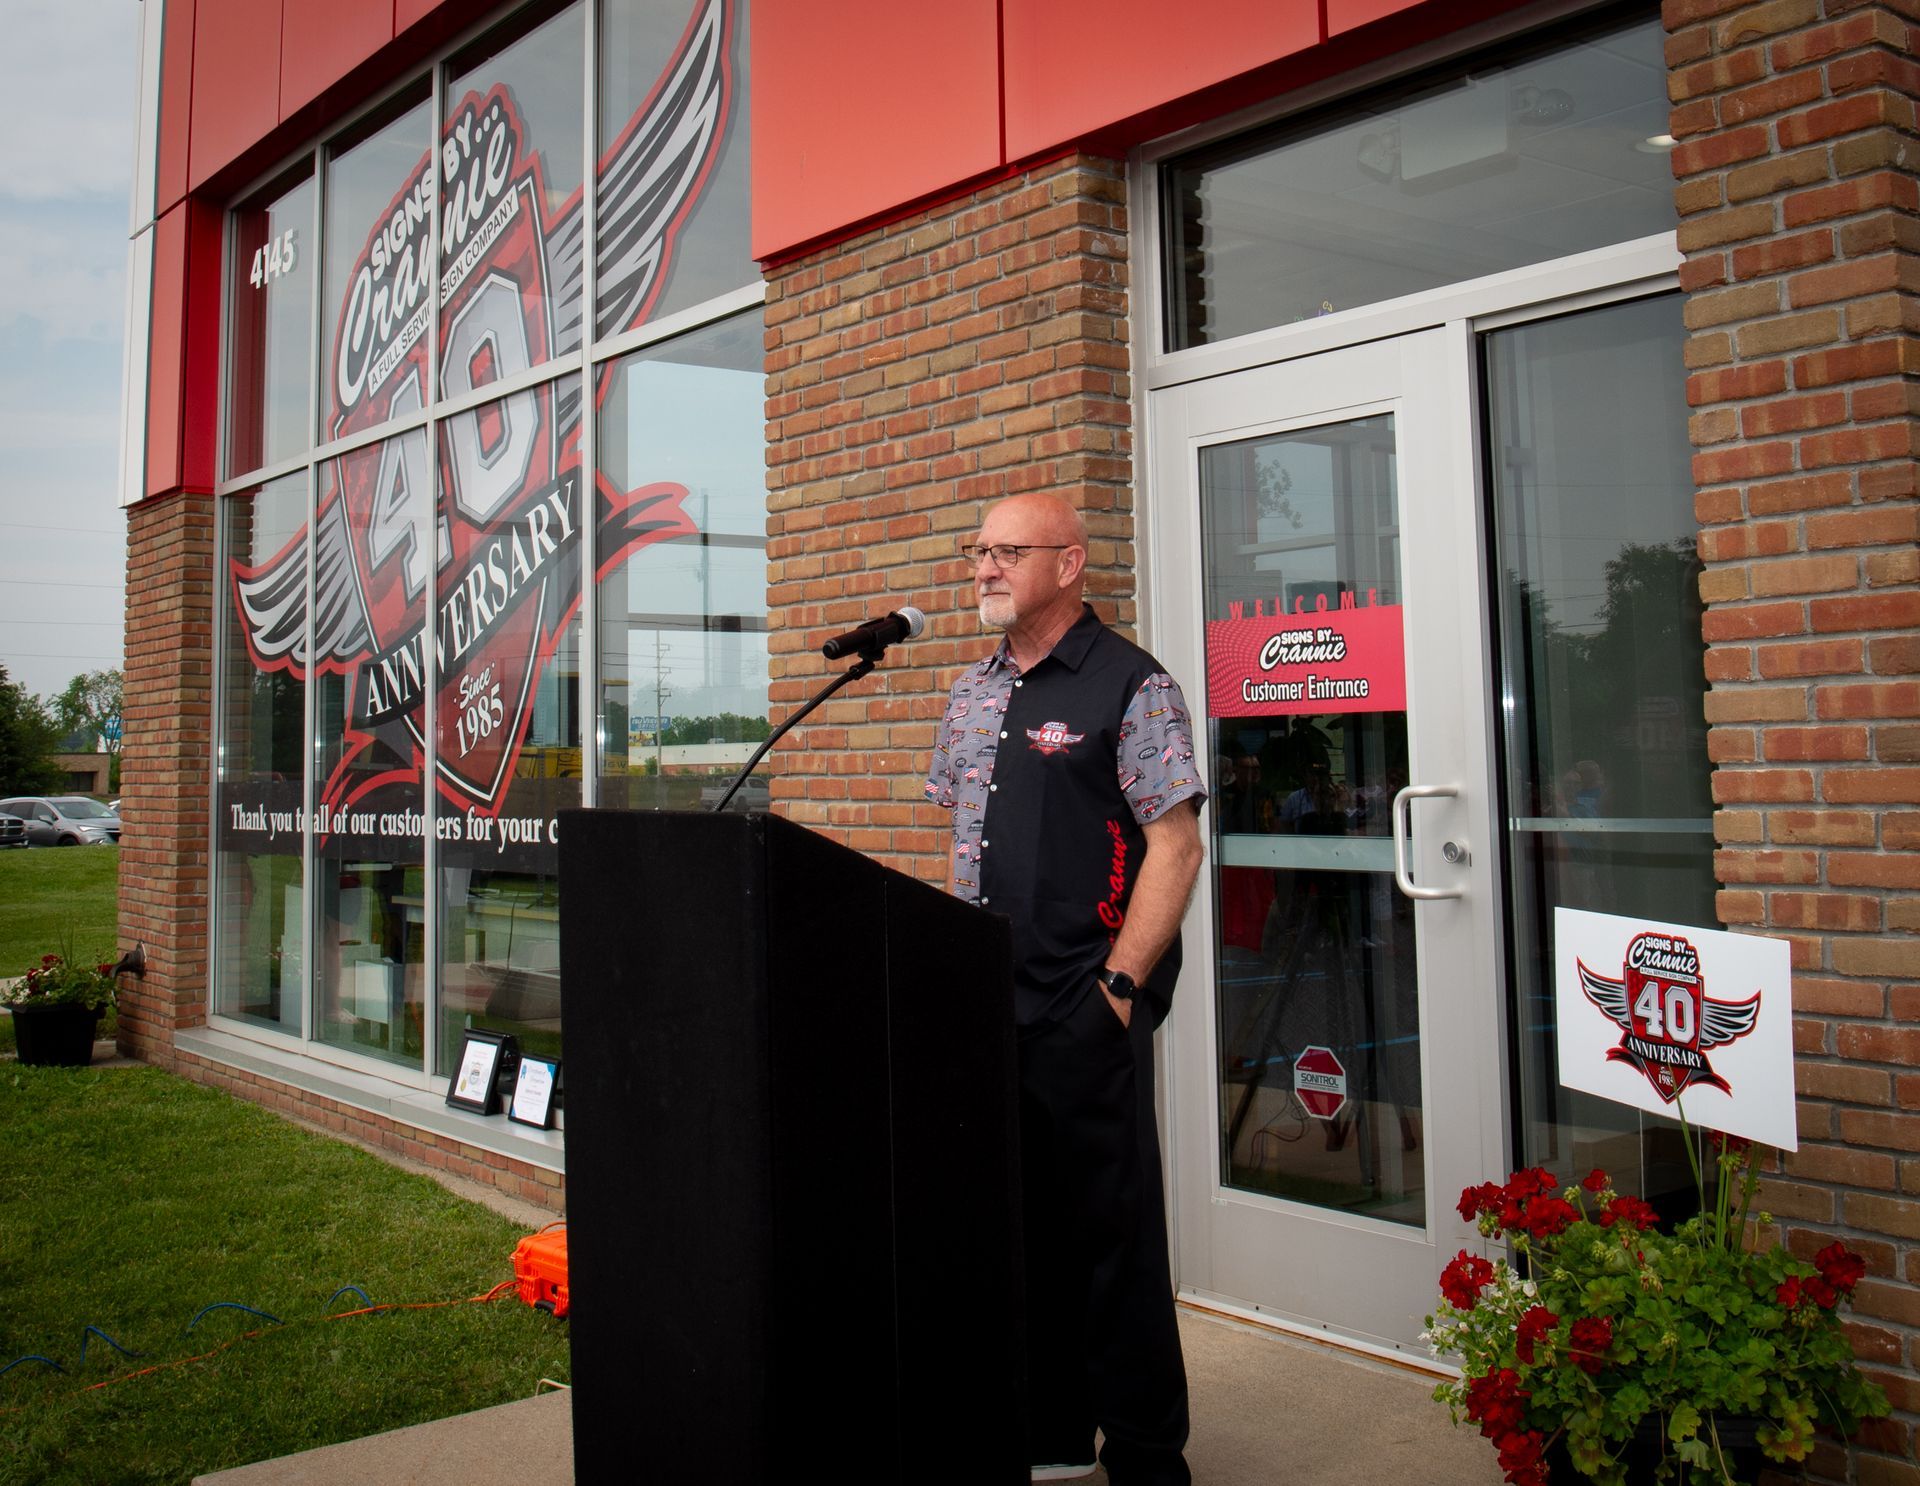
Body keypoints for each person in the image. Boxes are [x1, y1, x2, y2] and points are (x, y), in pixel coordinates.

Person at [924, 492, 1206, 1486]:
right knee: (1022, 1236)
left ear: (1070, 564)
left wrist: (1119, 991)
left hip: (1086, 1008)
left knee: (1113, 1242)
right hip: (987, 1013)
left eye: (1009, 551)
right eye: (979, 551)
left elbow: (1176, 844)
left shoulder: (1132, 686)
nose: (986, 566)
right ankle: (1050, 1429)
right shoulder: (969, 692)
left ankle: (1143, 1451)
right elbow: (960, 841)